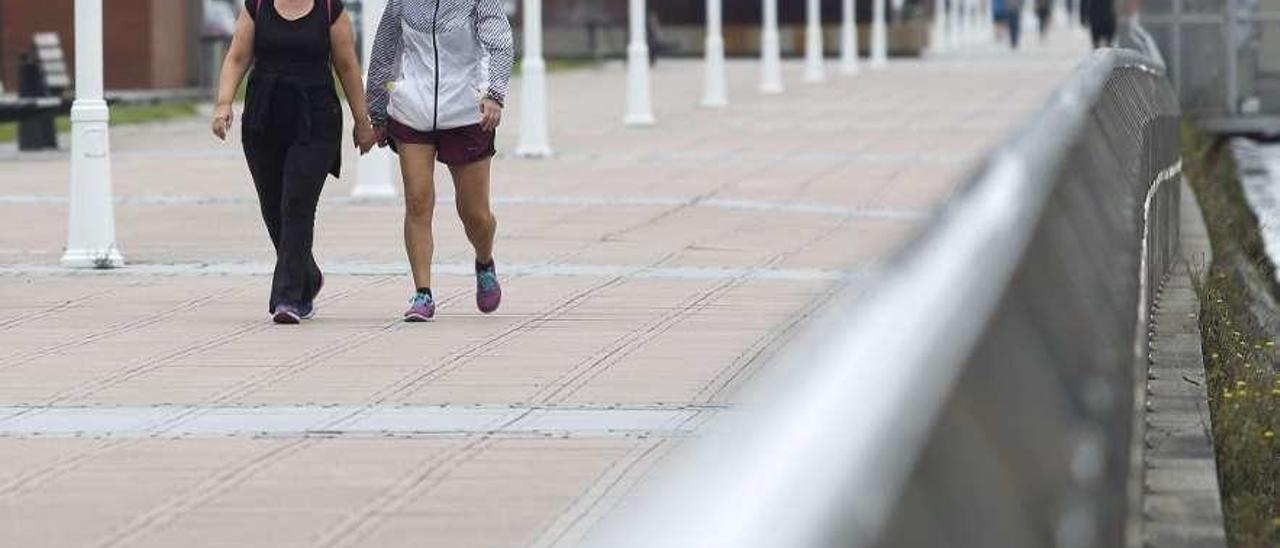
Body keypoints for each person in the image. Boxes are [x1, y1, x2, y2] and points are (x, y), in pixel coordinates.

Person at [212, 0, 376, 324]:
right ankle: (308, 275)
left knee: (296, 202)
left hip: (315, 119)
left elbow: (346, 65)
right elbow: (237, 56)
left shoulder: (330, 8)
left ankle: (288, 297)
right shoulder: (257, 6)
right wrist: (223, 104)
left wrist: (362, 121)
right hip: (264, 117)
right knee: (273, 207)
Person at [365, 0, 514, 322]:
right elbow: (384, 53)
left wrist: (494, 94)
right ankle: (423, 293)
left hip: (466, 112)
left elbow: (499, 44)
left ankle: (484, 261)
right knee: (417, 202)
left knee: (475, 214)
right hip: (411, 111)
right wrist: (377, 111)